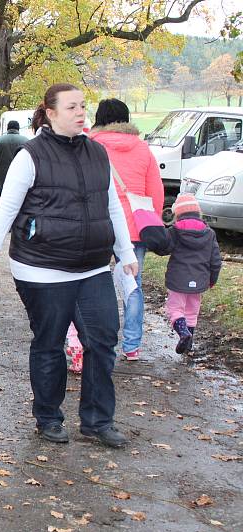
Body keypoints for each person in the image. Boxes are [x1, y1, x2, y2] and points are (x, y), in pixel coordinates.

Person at [0, 83, 138, 449]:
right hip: (41, 269)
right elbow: (7, 210)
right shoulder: (31, 156)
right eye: (72, 107)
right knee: (49, 343)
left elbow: (112, 207)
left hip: (92, 268)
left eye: (83, 106)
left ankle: (97, 421)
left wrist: (126, 253)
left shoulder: (98, 154)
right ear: (51, 112)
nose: (81, 113)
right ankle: (48, 417)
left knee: (103, 341)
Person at [90, 98, 164, 361]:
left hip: (97, 225)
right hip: (134, 228)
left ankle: (97, 339)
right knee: (133, 285)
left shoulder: (91, 146)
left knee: (92, 282)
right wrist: (148, 219)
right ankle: (131, 345)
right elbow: (156, 192)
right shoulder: (143, 149)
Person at [137, 194, 222, 354]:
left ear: (178, 213)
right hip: (199, 281)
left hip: (178, 280)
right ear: (198, 213)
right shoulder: (209, 233)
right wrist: (212, 279)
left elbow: (164, 248)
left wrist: (152, 238)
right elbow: (215, 260)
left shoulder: (175, 231)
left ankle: (183, 333)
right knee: (192, 311)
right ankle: (188, 345)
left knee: (174, 309)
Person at [0, 120, 28, 197]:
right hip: (21, 174)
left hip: (2, 176)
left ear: (7, 129)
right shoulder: (26, 141)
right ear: (18, 129)